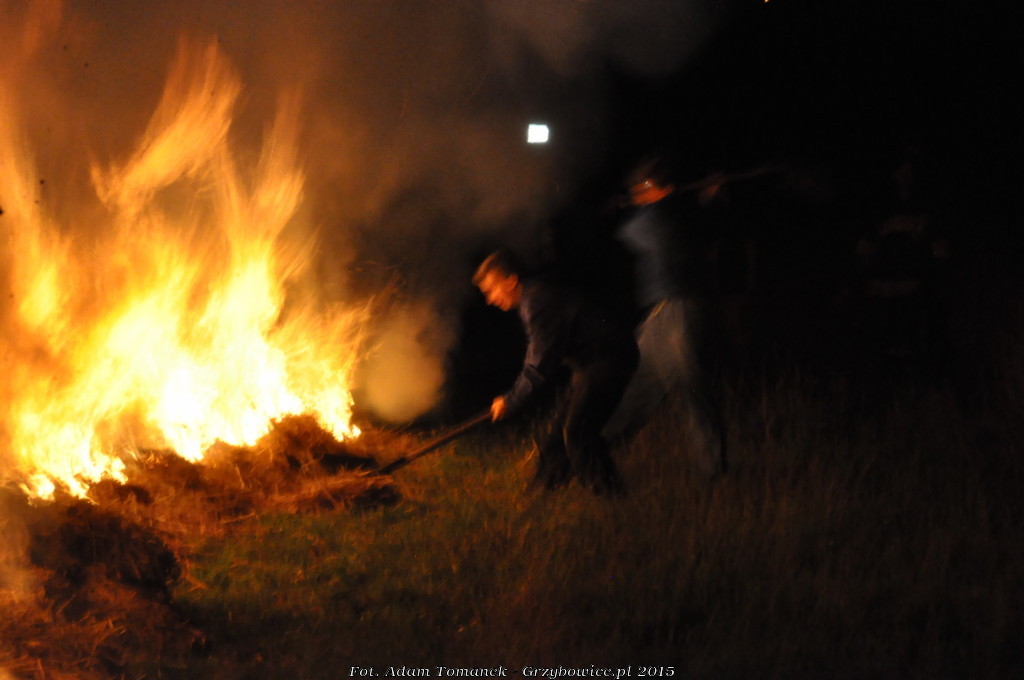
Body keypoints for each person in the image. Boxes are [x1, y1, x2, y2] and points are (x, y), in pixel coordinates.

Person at [473, 251, 639, 494]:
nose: (490, 299)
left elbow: (539, 365)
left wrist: (511, 400)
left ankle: (612, 495)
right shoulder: (533, 297)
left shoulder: (538, 301)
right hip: (589, 364)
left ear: (511, 281)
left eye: (492, 290)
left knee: (577, 431)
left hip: (608, 359)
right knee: (556, 439)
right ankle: (541, 493)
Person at [603, 154, 726, 478]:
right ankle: (595, 454)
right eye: (636, 188)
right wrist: (705, 199)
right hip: (659, 315)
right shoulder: (680, 212)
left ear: (663, 187)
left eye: (643, 187)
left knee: (690, 390)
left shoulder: (663, 217)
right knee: (637, 390)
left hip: (679, 312)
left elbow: (628, 231)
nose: (638, 193)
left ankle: (712, 469)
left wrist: (625, 206)